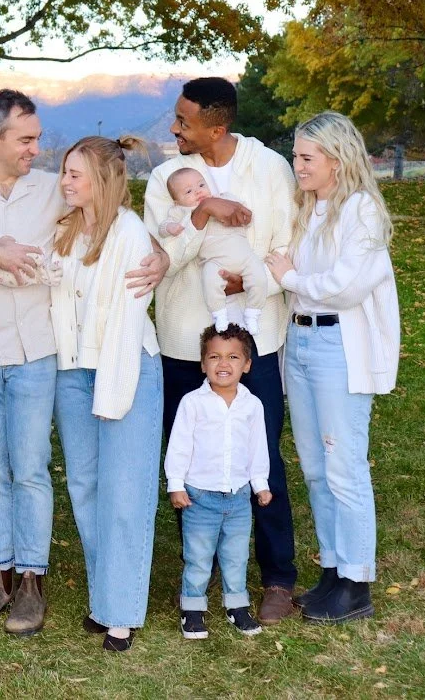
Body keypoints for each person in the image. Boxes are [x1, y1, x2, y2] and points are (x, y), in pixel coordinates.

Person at [0, 90, 166, 637]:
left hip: (42, 353)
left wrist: (161, 256)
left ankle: (32, 579)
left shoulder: (51, 191)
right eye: (26, 139)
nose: (37, 149)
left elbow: (111, 216)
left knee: (31, 469)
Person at [144, 76, 300, 625]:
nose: (174, 128)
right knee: (191, 458)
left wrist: (252, 285)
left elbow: (287, 246)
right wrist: (203, 213)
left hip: (257, 337)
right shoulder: (166, 176)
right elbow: (164, 254)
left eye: (183, 121)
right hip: (188, 341)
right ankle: (201, 578)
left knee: (263, 458)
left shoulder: (271, 170)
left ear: (217, 127)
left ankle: (278, 577)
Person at [264, 111, 399, 624]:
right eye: (296, 155)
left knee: (344, 465)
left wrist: (291, 275)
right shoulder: (309, 209)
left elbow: (345, 287)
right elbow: (284, 271)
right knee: (316, 468)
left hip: (338, 346)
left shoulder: (360, 210)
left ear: (337, 159)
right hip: (298, 341)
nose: (297, 165)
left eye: (306, 157)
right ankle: (332, 568)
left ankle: (356, 582)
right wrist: (285, 277)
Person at [49, 136, 163, 652]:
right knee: (86, 487)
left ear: (104, 178)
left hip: (124, 370)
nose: (66, 181)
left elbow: (124, 322)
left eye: (75, 173)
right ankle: (105, 596)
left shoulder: (132, 233)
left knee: (125, 492)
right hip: (74, 372)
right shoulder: (66, 231)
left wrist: (110, 393)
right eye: (65, 172)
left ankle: (121, 611)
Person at [165, 325, 271, 641]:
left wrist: (260, 484)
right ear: (203, 363)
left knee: (236, 555)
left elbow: (257, 447)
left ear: (247, 365)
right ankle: (193, 610)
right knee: (198, 556)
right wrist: (176, 483)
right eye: (214, 356)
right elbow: (179, 444)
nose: (223, 364)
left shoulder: (252, 406)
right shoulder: (192, 403)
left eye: (233, 357)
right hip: (200, 497)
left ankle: (237, 606)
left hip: (238, 498)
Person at [159, 166, 266, 335]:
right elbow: (163, 227)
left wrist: (245, 217)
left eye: (201, 185)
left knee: (259, 277)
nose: (198, 192)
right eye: (188, 191)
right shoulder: (180, 211)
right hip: (215, 261)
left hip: (245, 257)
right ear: (177, 202)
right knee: (210, 281)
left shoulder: (225, 199)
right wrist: (171, 227)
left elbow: (247, 216)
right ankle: (219, 314)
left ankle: (253, 312)